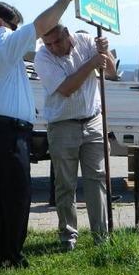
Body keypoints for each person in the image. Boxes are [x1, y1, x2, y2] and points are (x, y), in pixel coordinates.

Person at [0, 0, 83, 268]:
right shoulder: (3, 45)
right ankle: (10, 256)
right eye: (15, 28)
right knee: (15, 195)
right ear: (3, 24)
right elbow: (41, 25)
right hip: (7, 132)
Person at [34, 25, 117, 250]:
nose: (52, 48)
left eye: (56, 42)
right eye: (47, 43)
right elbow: (67, 88)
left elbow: (111, 72)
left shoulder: (88, 41)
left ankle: (102, 236)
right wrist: (91, 63)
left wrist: (105, 51)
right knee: (65, 184)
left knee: (97, 179)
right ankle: (68, 237)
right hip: (62, 125)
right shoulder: (41, 56)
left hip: (93, 120)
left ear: (68, 34)